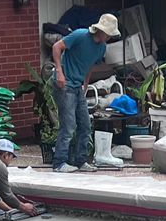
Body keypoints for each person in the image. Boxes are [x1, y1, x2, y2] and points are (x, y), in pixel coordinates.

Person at [51, 12, 120, 172]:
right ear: (101, 31)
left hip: (77, 86)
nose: (110, 37)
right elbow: (57, 47)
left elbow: (90, 66)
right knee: (68, 126)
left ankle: (80, 160)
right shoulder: (80, 35)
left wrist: (86, 84)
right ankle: (59, 163)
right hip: (65, 83)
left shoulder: (101, 48)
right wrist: (59, 72)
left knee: (85, 125)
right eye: (109, 34)